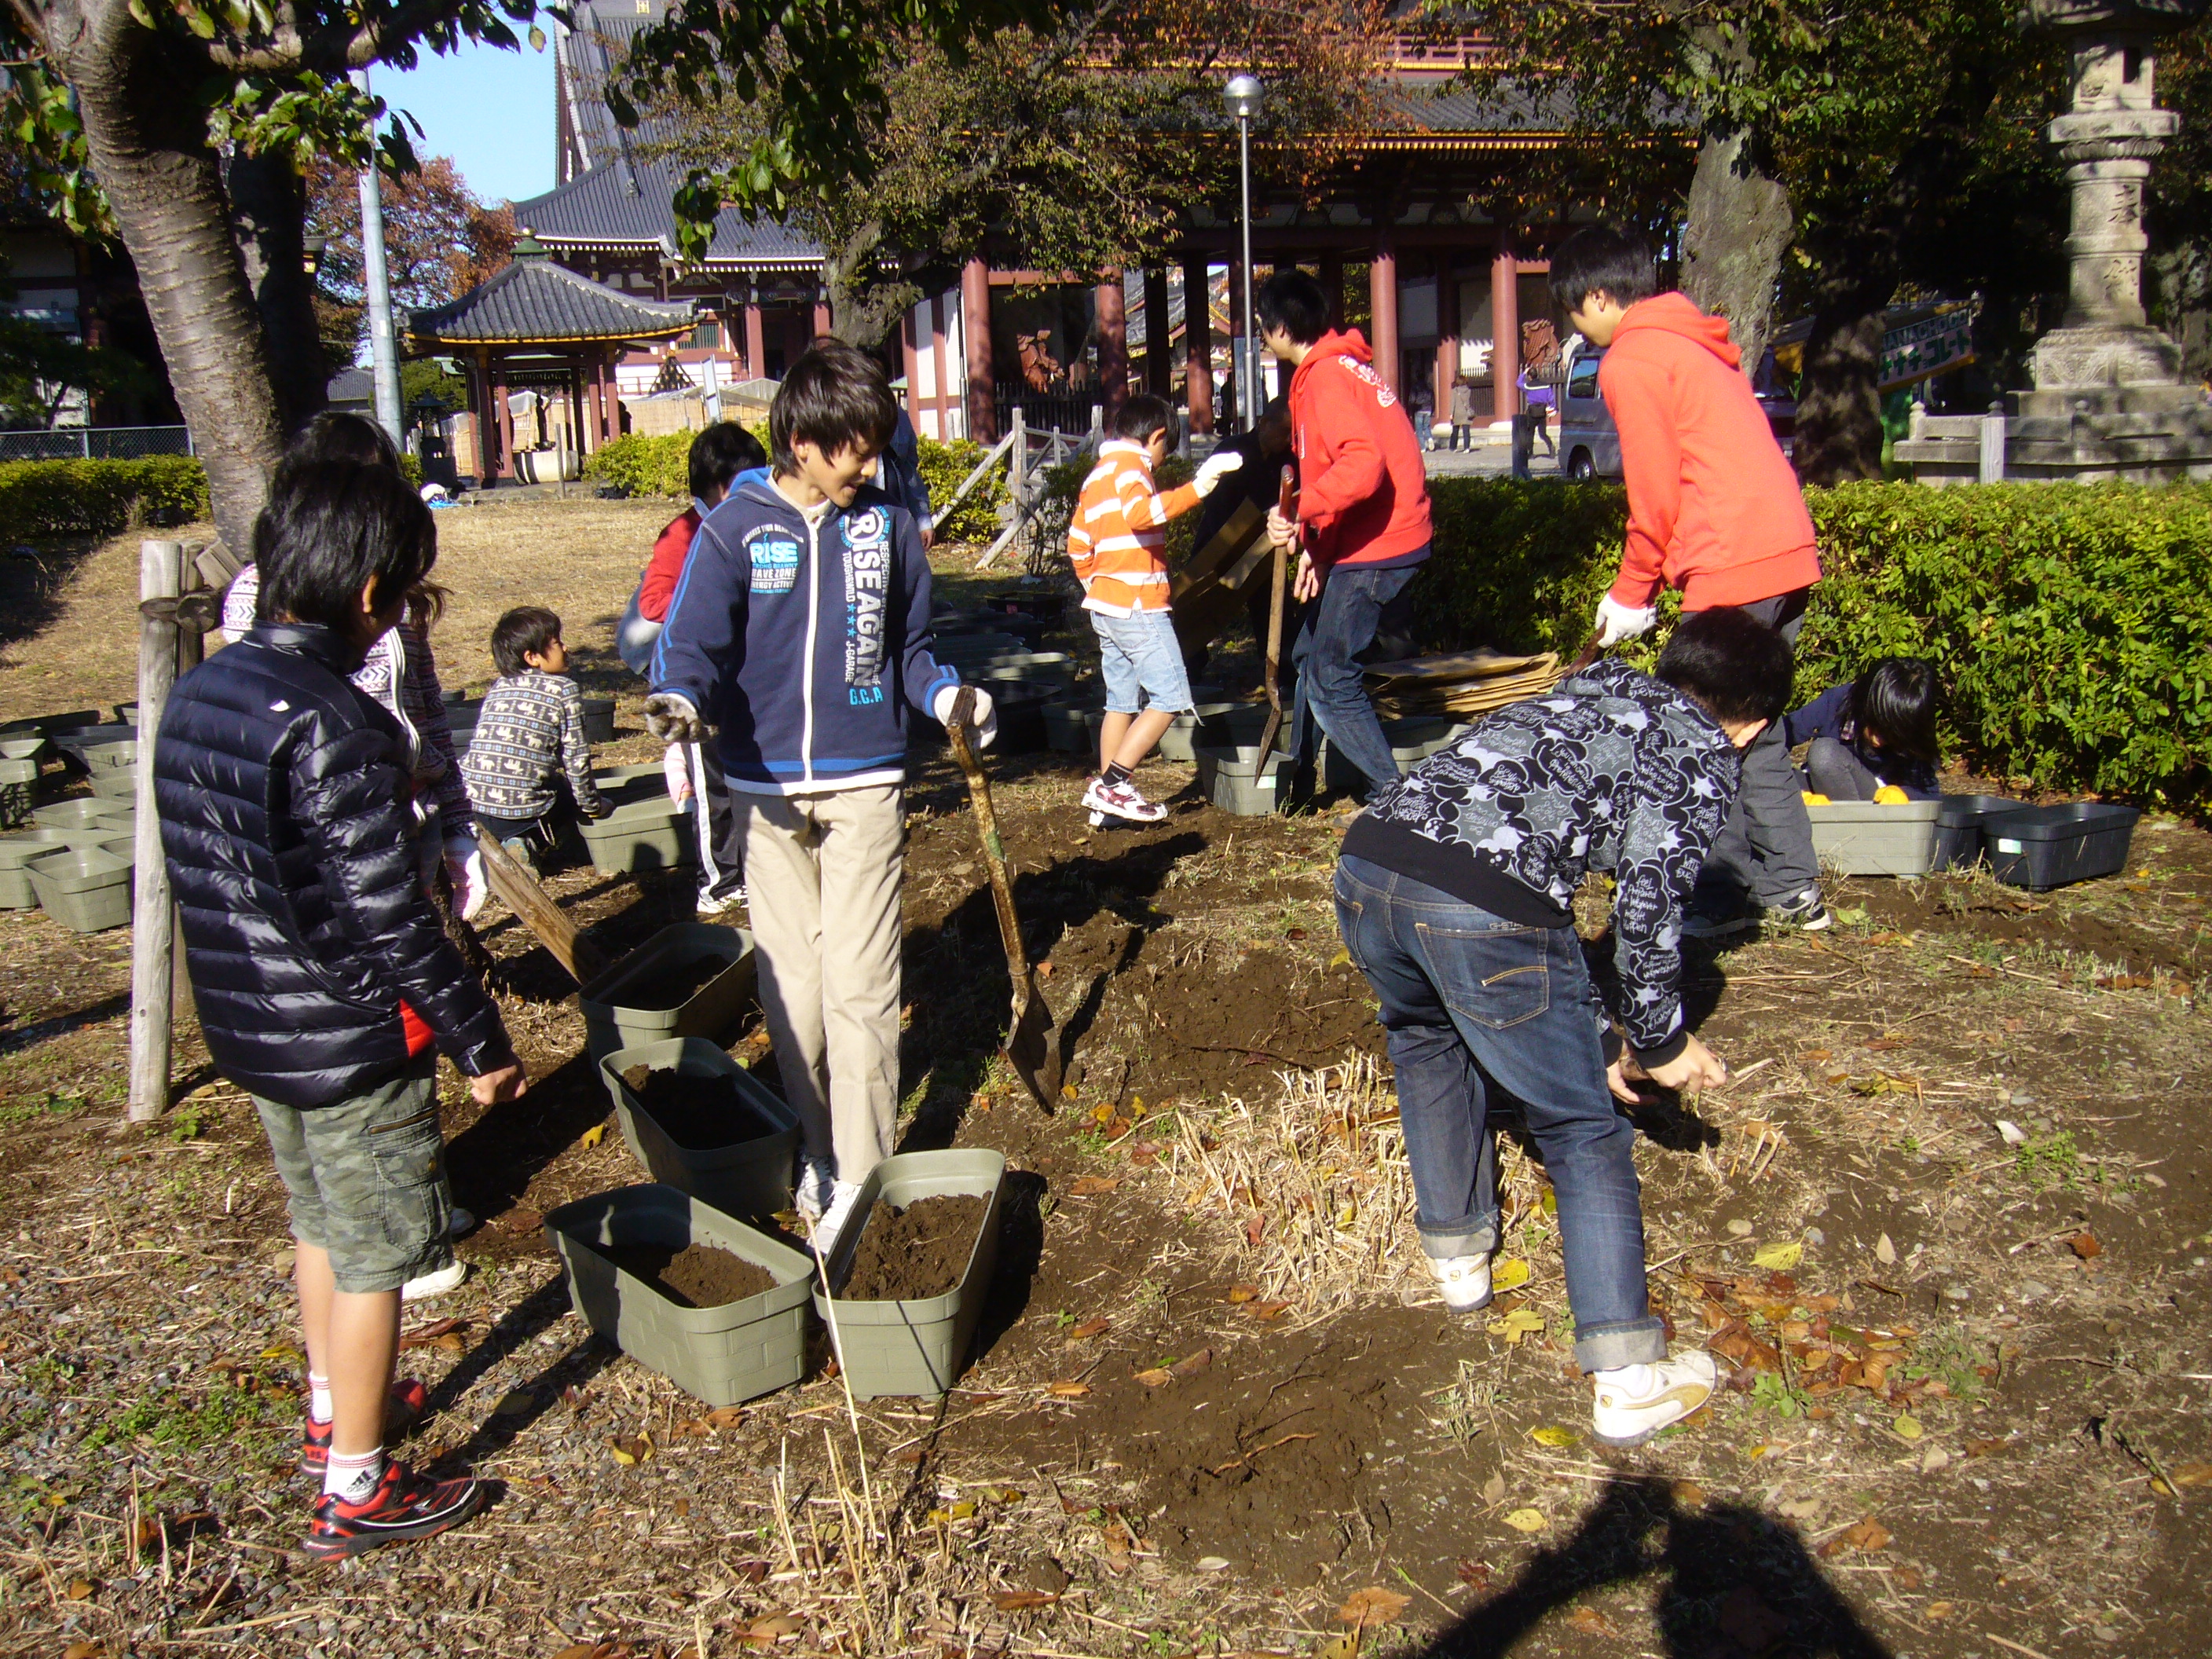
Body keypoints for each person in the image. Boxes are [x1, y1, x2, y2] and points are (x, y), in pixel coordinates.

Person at [157, 460, 526, 1558]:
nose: (407, 616)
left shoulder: (203, 690)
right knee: (379, 1257)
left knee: (318, 1222)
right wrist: (479, 1040)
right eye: (409, 595)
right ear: (371, 596)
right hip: (352, 1033)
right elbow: (392, 917)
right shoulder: (336, 724)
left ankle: (334, 1413)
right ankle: (358, 1489)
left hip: (256, 1024)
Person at [1334, 608, 1796, 1445]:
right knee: (1583, 1128)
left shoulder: (1592, 687)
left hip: (1368, 862)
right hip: (1480, 907)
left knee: (1427, 1044)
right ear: (1753, 725)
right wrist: (1655, 1045)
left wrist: (1597, 1035)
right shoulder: (1697, 751)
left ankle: (1458, 1261)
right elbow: (1647, 906)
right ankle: (1626, 1379)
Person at [645, 339, 994, 1252]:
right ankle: (817, 1148)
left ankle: (860, 1177)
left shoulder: (886, 528)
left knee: (864, 989)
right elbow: (691, 643)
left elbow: (913, 651)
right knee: (792, 991)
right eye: (853, 449)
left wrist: (947, 694)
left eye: (875, 447)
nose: (868, 466)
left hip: (867, 787)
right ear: (800, 439)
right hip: (760, 793)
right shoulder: (735, 527)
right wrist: (678, 696)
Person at [1550, 225, 1827, 935]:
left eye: (1573, 313)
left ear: (1599, 297)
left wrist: (1632, 592)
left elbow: (1656, 499)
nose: (1577, 329)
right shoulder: (1696, 343)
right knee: (1749, 731)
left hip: (1729, 557)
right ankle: (1792, 887)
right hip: (1786, 548)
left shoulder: (1633, 358)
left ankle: (1714, 897)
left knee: (1694, 734)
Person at [221, 413, 481, 928]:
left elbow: (427, 708)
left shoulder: (394, 595)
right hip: (341, 835)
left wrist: (456, 823)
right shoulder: (263, 595)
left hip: (413, 816)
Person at [1258, 267, 1434, 804]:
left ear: (1283, 329)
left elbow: (1362, 467)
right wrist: (1317, 549)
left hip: (1384, 544)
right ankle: (1303, 779)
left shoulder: (1327, 379)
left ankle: (1397, 804)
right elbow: (1337, 470)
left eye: (1264, 326)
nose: (1264, 336)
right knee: (1311, 654)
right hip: (1368, 539)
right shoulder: (1338, 370)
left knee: (1333, 674)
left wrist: (1298, 508)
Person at [1067, 393, 1243, 824]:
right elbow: (1141, 513)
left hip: (1107, 607)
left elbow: (1077, 544)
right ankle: (1113, 785)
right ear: (1157, 436)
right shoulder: (1132, 468)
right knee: (1171, 695)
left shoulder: (1097, 476)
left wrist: (1099, 585)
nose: (1163, 460)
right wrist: (1199, 486)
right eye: (1166, 449)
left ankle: (1109, 805)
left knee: (1121, 702)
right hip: (1139, 606)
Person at [620, 422, 771, 914]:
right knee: (712, 785)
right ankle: (718, 884)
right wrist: (710, 603)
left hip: (743, 675)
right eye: (748, 482)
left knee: (745, 773)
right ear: (720, 488)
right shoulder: (686, 532)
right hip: (699, 679)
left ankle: (754, 867)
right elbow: (654, 599)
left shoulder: (756, 523)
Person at [460, 606, 609, 870]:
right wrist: (592, 804)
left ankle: (504, 843)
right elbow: (576, 760)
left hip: (473, 805)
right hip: (520, 811)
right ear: (532, 657)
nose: (565, 648)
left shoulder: (501, 685)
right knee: (563, 794)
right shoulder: (564, 690)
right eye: (556, 643)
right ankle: (530, 841)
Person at [1785, 656, 1942, 801]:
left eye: (1891, 734)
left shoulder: (1914, 734)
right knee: (1786, 772)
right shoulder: (1838, 702)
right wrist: (1796, 792)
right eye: (1876, 725)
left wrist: (1901, 797)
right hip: (1822, 793)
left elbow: (1928, 793)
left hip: (1875, 804)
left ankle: (1855, 826)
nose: (1878, 739)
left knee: (1825, 754)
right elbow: (1776, 739)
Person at [1448, 376, 1478, 452]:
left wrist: (1451, 413)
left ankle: (1453, 447)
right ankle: (1467, 448)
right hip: (1466, 413)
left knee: (1455, 431)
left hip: (1457, 413)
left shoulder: (1455, 390)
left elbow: (1453, 403)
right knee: (1466, 432)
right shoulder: (1469, 391)